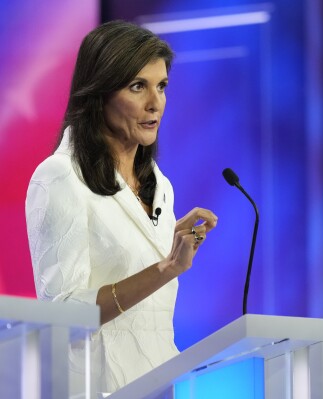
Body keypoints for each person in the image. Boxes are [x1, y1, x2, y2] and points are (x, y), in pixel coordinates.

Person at [25, 21, 217, 393]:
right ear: (99, 93)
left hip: (161, 383)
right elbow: (62, 314)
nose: (155, 102)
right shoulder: (60, 176)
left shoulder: (160, 186)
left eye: (161, 86)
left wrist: (165, 248)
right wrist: (164, 268)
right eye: (137, 86)